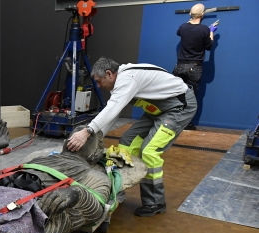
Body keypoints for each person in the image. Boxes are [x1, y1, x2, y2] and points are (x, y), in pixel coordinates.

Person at [66, 57, 197, 217]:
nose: (99, 86)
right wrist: (96, 138)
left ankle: (155, 202)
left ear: (109, 74)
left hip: (179, 108)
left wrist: (87, 132)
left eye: (100, 82)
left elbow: (112, 109)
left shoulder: (127, 80)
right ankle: (118, 190)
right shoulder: (121, 82)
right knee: (126, 142)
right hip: (156, 110)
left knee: (149, 151)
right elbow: (112, 114)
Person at [172, 3, 216, 130]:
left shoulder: (183, 27)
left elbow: (179, 32)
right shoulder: (204, 30)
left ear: (190, 14)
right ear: (202, 14)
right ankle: (187, 124)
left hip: (179, 66)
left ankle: (173, 122)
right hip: (194, 67)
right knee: (191, 98)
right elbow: (209, 46)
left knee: (176, 95)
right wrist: (211, 32)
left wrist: (191, 18)